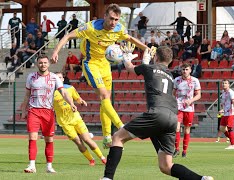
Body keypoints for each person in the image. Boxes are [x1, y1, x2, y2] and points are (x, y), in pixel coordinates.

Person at [101, 46, 213, 180]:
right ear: (170, 61)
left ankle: (107, 178)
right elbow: (156, 76)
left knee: (117, 138)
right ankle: (202, 179)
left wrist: (126, 57)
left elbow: (130, 67)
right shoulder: (171, 76)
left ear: (156, 57)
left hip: (157, 113)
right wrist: (146, 62)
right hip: (172, 118)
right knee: (166, 166)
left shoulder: (149, 68)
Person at [51, 4, 148, 148]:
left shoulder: (119, 29)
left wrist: (146, 48)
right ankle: (121, 126)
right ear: (105, 16)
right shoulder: (90, 27)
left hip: (105, 65)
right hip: (91, 64)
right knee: (103, 96)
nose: (113, 22)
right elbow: (68, 35)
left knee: (106, 100)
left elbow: (131, 39)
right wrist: (55, 51)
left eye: (116, 19)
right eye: (111, 19)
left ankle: (107, 136)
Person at [21, 55, 77, 173]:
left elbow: (63, 92)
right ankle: (32, 165)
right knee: (32, 137)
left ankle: (49, 167)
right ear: (37, 64)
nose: (43, 65)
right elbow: (27, 95)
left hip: (48, 112)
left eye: (45, 63)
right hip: (34, 110)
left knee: (49, 139)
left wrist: (71, 103)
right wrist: (23, 110)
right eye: (40, 63)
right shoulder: (31, 77)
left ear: (49, 64)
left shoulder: (54, 77)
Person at [53, 72, 107, 166]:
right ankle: (91, 160)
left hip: (76, 118)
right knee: (78, 142)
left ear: (62, 79)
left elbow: (77, 98)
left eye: (60, 77)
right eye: (56, 78)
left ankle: (102, 157)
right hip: (64, 122)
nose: (58, 79)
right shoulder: (51, 92)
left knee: (87, 139)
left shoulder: (70, 88)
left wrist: (81, 101)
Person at [172, 63, 201, 158]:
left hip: (189, 108)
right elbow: (173, 93)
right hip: (178, 106)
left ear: (190, 70)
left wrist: (191, 100)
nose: (185, 71)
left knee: (187, 129)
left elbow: (198, 95)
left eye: (186, 69)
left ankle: (185, 150)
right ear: (181, 70)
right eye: (183, 69)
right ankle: (176, 149)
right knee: (176, 127)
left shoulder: (195, 81)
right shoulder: (177, 80)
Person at [219, 79, 234, 150]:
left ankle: (232, 145)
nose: (224, 84)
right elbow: (223, 103)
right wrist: (222, 109)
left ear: (229, 84)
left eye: (226, 83)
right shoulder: (223, 93)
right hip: (225, 113)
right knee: (222, 128)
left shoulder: (231, 92)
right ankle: (233, 140)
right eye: (223, 83)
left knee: (230, 128)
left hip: (230, 112)